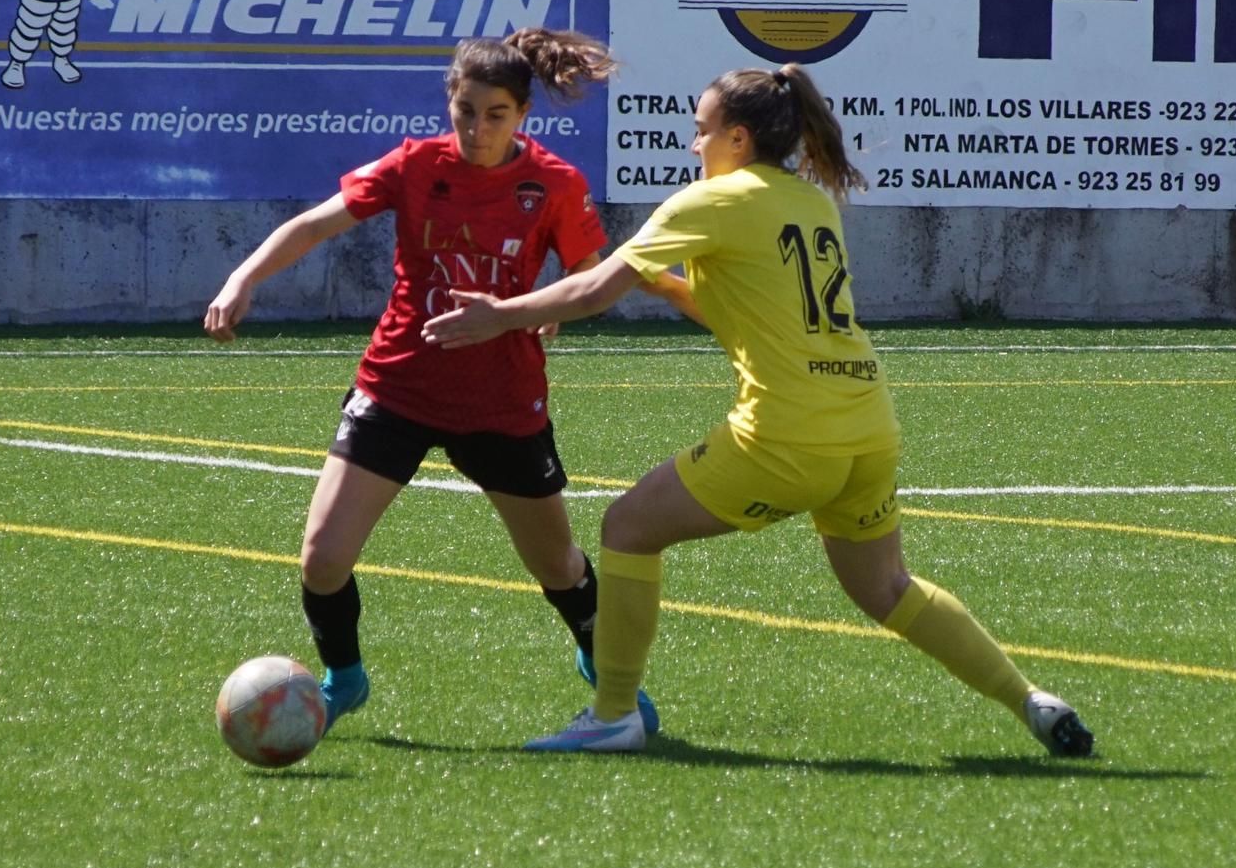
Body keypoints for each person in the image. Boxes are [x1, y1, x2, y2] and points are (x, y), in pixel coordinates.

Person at [422, 63, 1095, 757]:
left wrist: (500, 314)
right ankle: (1029, 699)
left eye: (700, 131)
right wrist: (662, 283)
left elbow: (594, 289)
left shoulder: (709, 201)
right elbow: (742, 306)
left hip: (786, 436)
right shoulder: (809, 203)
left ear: (736, 139)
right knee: (887, 587)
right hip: (866, 427)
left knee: (626, 528)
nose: (693, 146)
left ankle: (613, 713)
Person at [204, 28, 691, 735]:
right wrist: (242, 277)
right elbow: (316, 224)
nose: (477, 129)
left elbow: (591, 277)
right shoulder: (414, 166)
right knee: (322, 557)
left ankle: (605, 674)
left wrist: (534, 311)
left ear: (523, 115)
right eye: (465, 111)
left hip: (501, 402)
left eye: (495, 115)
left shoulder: (554, 184)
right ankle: (343, 676)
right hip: (398, 385)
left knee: (557, 564)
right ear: (449, 103)